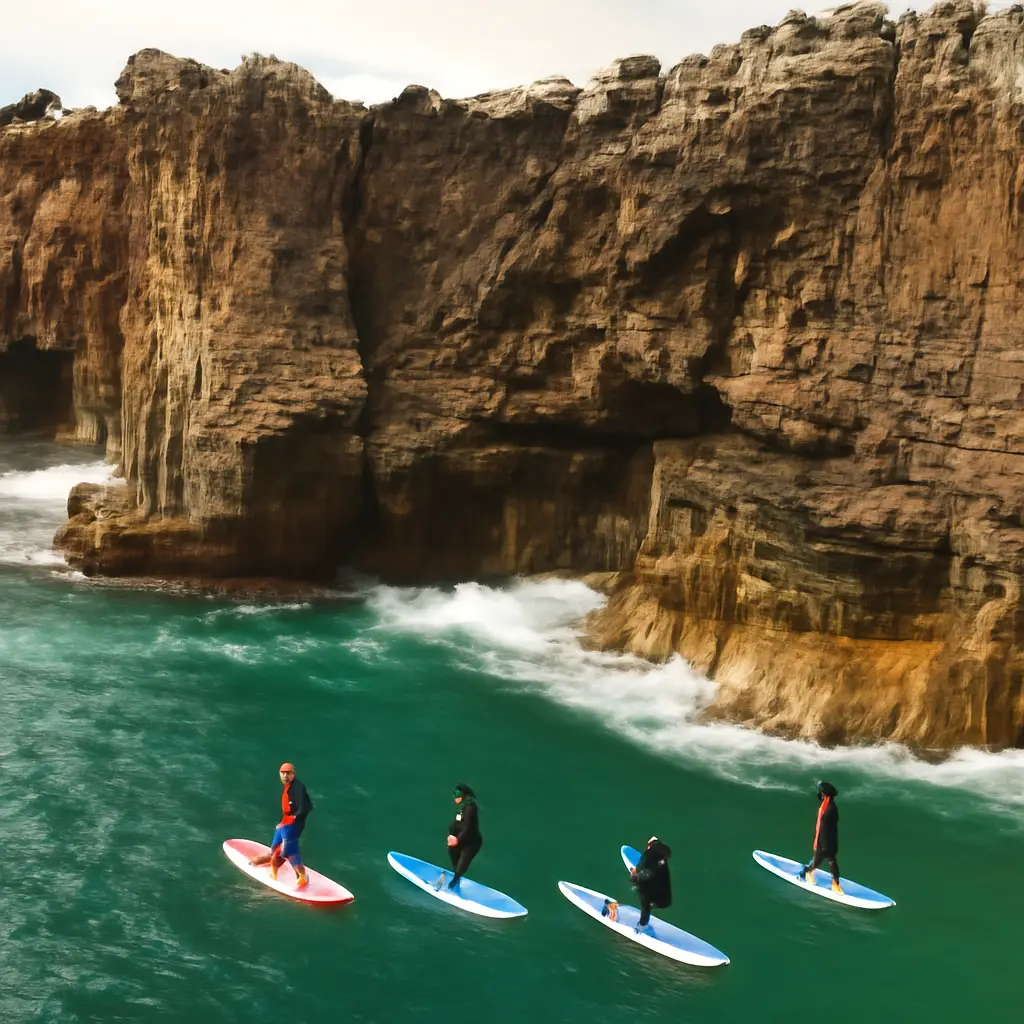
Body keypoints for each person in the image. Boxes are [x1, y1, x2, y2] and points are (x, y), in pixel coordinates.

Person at [248, 762, 313, 889]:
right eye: (282, 773)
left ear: (293, 774)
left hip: (293, 825)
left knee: (289, 851)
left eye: (288, 773)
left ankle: (302, 877)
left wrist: (296, 818)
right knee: (275, 846)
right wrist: (282, 822)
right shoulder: (289, 786)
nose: (285, 776)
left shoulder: (299, 788)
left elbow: (307, 807)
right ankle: (267, 861)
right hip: (285, 822)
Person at [797, 780, 842, 894]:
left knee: (828, 861)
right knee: (820, 862)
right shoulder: (829, 806)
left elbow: (825, 828)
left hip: (825, 842)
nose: (819, 794)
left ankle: (835, 883)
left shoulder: (829, 809)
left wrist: (821, 844)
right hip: (827, 842)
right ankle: (806, 873)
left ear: (824, 794)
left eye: (821, 792)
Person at [439, 783, 482, 892]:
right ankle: (456, 877)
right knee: (453, 853)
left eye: (456, 797)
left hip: (472, 841)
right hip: (460, 839)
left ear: (462, 797)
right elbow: (456, 823)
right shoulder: (462, 807)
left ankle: (455, 881)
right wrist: (451, 835)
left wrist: (457, 839)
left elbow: (468, 827)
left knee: (463, 860)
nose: (454, 800)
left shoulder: (470, 808)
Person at [628, 836, 673, 931]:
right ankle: (655, 904)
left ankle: (642, 927)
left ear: (649, 846)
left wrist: (633, 876)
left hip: (646, 882)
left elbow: (641, 870)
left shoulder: (647, 855)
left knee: (645, 904)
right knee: (663, 901)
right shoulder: (663, 856)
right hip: (659, 883)